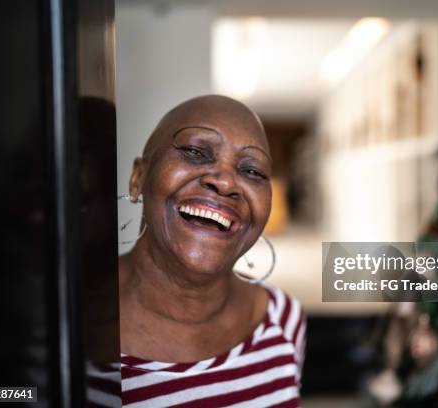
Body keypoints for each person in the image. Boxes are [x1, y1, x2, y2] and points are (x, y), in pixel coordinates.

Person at [118, 95, 306, 407]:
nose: (225, 182)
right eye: (195, 152)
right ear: (138, 177)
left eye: (252, 171)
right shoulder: (67, 316)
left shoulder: (283, 319)